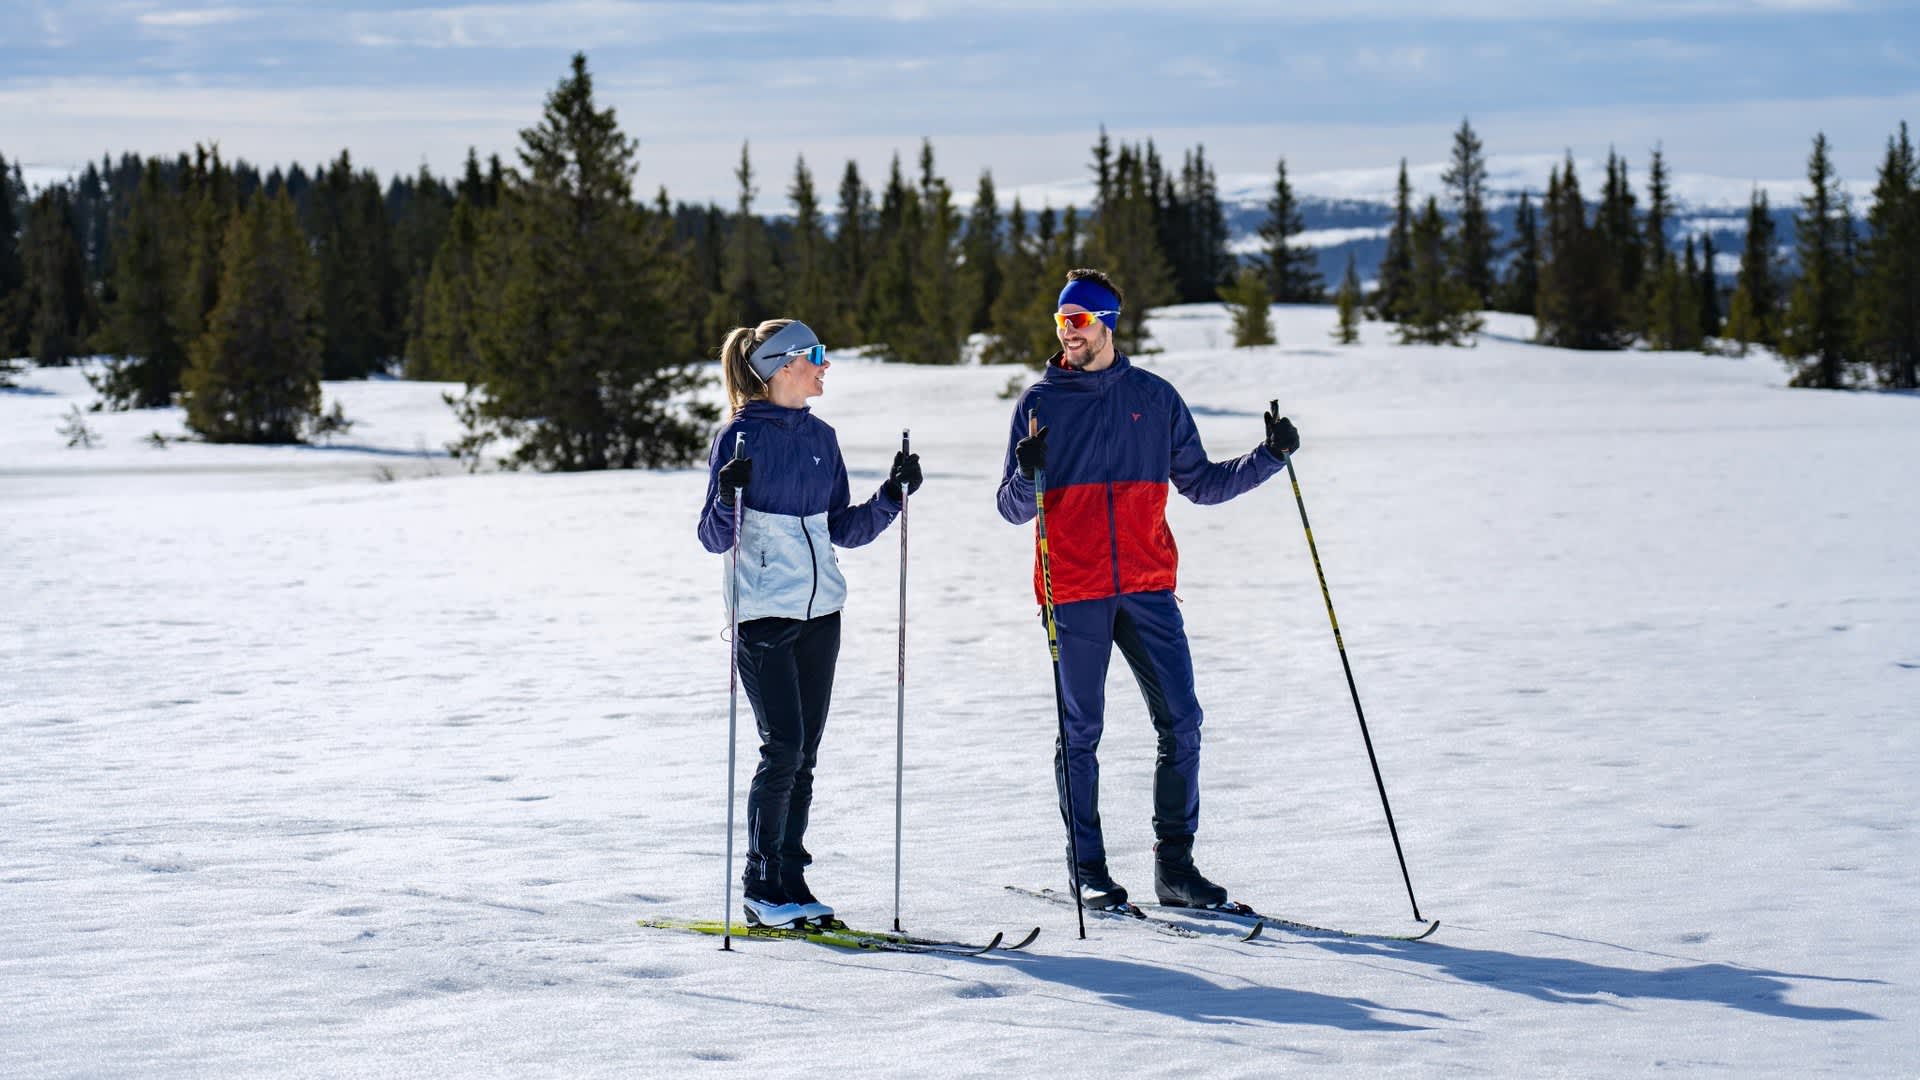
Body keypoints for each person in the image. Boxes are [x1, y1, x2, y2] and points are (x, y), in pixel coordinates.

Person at [995, 269, 1300, 911]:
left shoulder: (1154, 398)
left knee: (1182, 721)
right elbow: (1011, 508)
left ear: (1106, 323)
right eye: (1059, 323)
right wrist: (1027, 477)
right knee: (1080, 730)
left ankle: (1176, 868)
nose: (1066, 335)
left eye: (1077, 322)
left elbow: (1203, 483)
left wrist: (1268, 457)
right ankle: (1088, 869)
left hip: (1147, 586)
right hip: (1072, 588)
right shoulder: (1038, 405)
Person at [697, 318, 923, 928]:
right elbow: (712, 536)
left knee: (806, 754)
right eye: (815, 354)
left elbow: (842, 528)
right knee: (785, 748)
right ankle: (760, 881)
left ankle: (792, 878)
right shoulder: (738, 439)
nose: (826, 365)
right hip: (765, 616)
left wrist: (892, 495)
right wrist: (725, 494)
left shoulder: (823, 436)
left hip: (822, 616)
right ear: (780, 366)